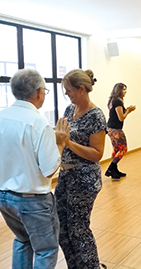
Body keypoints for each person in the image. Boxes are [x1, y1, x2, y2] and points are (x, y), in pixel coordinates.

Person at [0, 69, 66, 269]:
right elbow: (49, 170)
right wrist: (61, 143)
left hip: (3, 198)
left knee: (22, 241)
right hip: (32, 201)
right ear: (39, 92)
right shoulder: (39, 123)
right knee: (45, 249)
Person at [55, 69, 107, 269]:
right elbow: (61, 137)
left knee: (78, 229)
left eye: (69, 90)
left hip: (84, 180)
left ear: (82, 89)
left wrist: (67, 142)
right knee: (61, 227)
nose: (67, 94)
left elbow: (97, 153)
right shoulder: (70, 110)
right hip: (66, 175)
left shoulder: (96, 115)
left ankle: (91, 266)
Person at [106, 82, 136, 179]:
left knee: (116, 150)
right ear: (118, 90)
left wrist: (126, 109)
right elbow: (121, 117)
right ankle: (111, 168)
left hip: (111, 128)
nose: (125, 92)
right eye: (123, 89)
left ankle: (115, 170)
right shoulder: (117, 101)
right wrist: (128, 111)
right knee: (123, 149)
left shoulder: (113, 100)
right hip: (115, 129)